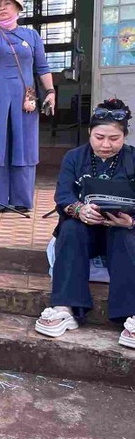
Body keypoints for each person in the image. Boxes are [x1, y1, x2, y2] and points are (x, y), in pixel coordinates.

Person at [35, 98, 135, 347]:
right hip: (85, 232)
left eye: (114, 139)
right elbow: (63, 195)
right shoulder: (74, 157)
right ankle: (65, 308)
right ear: (90, 132)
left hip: (121, 231)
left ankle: (131, 314)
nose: (105, 144)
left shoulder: (133, 159)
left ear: (125, 136)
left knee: (125, 236)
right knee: (70, 228)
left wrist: (130, 221)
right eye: (99, 137)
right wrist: (79, 210)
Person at [0, 0, 56, 212]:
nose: (2, 8)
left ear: (18, 8)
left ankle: (22, 199)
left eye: (8, 4)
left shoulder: (31, 36)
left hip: (25, 100)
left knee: (25, 146)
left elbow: (42, 68)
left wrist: (50, 92)